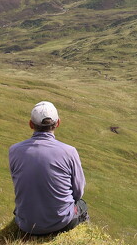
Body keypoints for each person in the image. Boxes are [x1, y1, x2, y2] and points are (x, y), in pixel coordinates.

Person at [8, 101, 88, 236]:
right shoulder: (69, 151)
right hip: (61, 222)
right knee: (82, 205)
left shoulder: (14, 150)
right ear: (57, 123)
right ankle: (83, 240)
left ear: (31, 124)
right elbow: (78, 191)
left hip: (26, 223)